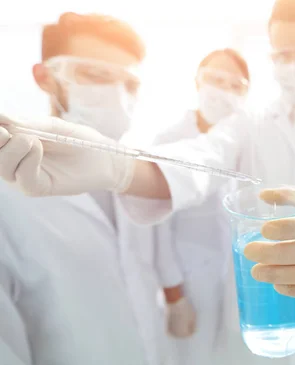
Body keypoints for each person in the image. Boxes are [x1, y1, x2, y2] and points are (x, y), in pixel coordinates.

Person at [0, 1, 295, 363]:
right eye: (286, 54)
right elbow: (202, 157)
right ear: (271, 58)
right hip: (254, 318)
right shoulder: (246, 123)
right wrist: (120, 169)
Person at [0, 13, 169, 365]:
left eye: (130, 84)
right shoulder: (8, 196)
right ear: (45, 77)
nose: (118, 96)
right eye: (95, 75)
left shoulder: (137, 170)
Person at [152, 48, 250, 364]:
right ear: (197, 82)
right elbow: (159, 226)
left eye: (234, 84)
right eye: (214, 79)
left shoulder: (245, 141)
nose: (222, 90)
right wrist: (174, 294)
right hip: (190, 278)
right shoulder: (169, 139)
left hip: (233, 277)